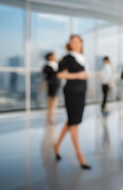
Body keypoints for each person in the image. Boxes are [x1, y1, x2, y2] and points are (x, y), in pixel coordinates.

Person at [53, 35, 91, 170]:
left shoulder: (82, 57)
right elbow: (59, 74)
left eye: (77, 41)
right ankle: (80, 156)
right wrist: (77, 76)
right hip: (72, 92)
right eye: (72, 41)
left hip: (81, 92)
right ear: (69, 44)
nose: (75, 43)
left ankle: (56, 145)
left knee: (71, 120)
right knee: (73, 123)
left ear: (81, 42)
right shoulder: (67, 58)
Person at [42, 52, 61, 123]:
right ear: (49, 57)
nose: (55, 57)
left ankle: (51, 116)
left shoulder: (55, 64)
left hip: (56, 84)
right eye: (53, 56)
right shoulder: (47, 66)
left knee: (54, 100)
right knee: (51, 100)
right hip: (52, 84)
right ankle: (50, 117)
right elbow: (47, 76)